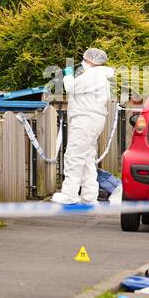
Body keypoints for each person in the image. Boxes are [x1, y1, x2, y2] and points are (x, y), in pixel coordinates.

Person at [50, 48, 115, 205]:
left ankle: (69, 195)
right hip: (91, 119)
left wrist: (68, 75)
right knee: (86, 159)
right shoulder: (99, 76)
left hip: (85, 120)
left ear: (91, 61)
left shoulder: (94, 75)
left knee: (73, 156)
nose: (83, 62)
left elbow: (71, 87)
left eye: (85, 60)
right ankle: (89, 196)